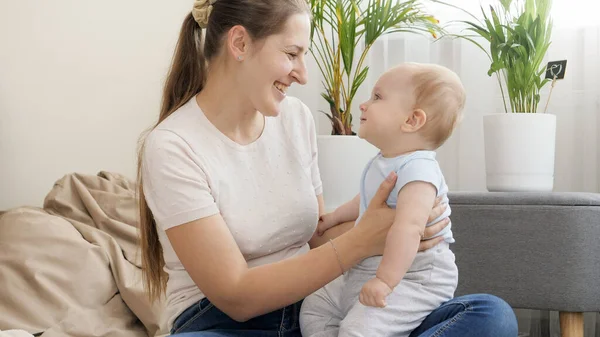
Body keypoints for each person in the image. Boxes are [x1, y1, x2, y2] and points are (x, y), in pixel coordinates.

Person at [136, 0, 518, 336]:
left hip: (312, 310)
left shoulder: (294, 119)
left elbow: (318, 235)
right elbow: (235, 296)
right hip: (224, 323)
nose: (302, 73)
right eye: (291, 54)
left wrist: (400, 225)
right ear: (239, 43)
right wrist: (366, 238)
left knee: (491, 316)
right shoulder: (172, 146)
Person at [300, 63, 465, 337]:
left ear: (412, 120)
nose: (364, 105)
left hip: (412, 278)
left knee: (358, 329)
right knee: (315, 307)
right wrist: (335, 217)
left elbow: (410, 228)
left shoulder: (419, 169)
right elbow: (364, 199)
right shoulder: (387, 161)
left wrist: (385, 281)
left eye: (377, 97)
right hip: (367, 269)